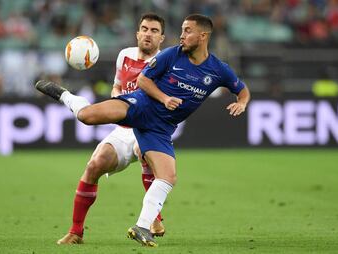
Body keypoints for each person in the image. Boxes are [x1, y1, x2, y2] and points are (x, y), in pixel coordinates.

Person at [36, 14, 250, 247]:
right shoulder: (171, 54)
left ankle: (142, 226)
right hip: (141, 107)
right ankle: (65, 95)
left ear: (203, 35)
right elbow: (143, 81)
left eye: (187, 30)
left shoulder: (219, 69)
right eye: (181, 29)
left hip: (160, 128)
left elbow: (242, 90)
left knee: (168, 177)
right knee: (87, 117)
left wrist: (242, 102)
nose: (182, 35)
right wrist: (164, 98)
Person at [55, 13, 167, 245]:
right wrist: (119, 99)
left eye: (154, 31)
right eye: (144, 29)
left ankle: (154, 217)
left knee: (141, 150)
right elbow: (117, 87)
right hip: (124, 127)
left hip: (151, 129)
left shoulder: (166, 63)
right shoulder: (124, 55)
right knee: (94, 165)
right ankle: (76, 232)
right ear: (137, 33)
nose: (148, 34)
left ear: (162, 38)